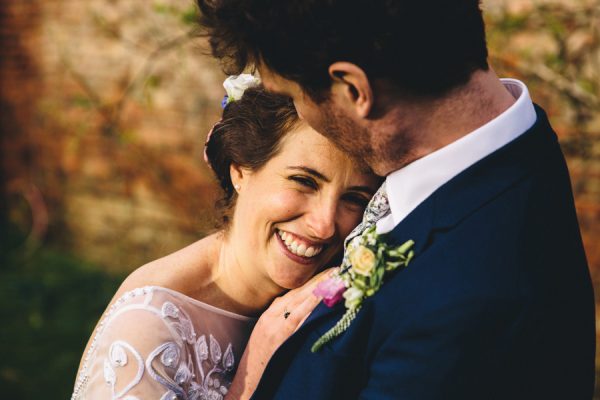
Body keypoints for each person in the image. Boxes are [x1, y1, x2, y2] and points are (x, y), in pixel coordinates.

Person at [197, 0, 596, 398]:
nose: (299, 111)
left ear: (354, 90)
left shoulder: (466, 305)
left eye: (294, 95)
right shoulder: (515, 146)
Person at [71, 81, 380, 399]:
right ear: (241, 170)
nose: (325, 226)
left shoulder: (340, 290)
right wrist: (255, 368)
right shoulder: (148, 329)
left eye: (354, 198)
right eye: (303, 181)